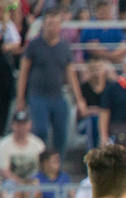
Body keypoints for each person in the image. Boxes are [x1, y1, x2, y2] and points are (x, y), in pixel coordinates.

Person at [16, 10, 84, 153]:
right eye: (48, 23)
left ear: (60, 26)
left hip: (58, 95)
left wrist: (79, 99)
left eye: (54, 24)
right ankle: (40, 164)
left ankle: (57, 167)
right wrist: (20, 98)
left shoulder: (64, 47)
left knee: (61, 134)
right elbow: (23, 73)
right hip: (37, 96)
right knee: (40, 130)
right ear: (43, 25)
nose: (51, 27)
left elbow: (71, 75)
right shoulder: (34, 45)